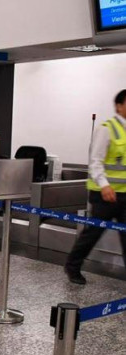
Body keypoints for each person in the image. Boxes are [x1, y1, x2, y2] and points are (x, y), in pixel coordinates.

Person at [65, 90, 126, 285]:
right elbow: (96, 161)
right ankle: (72, 265)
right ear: (119, 105)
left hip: (125, 195)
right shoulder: (107, 129)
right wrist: (105, 185)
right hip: (105, 194)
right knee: (93, 232)